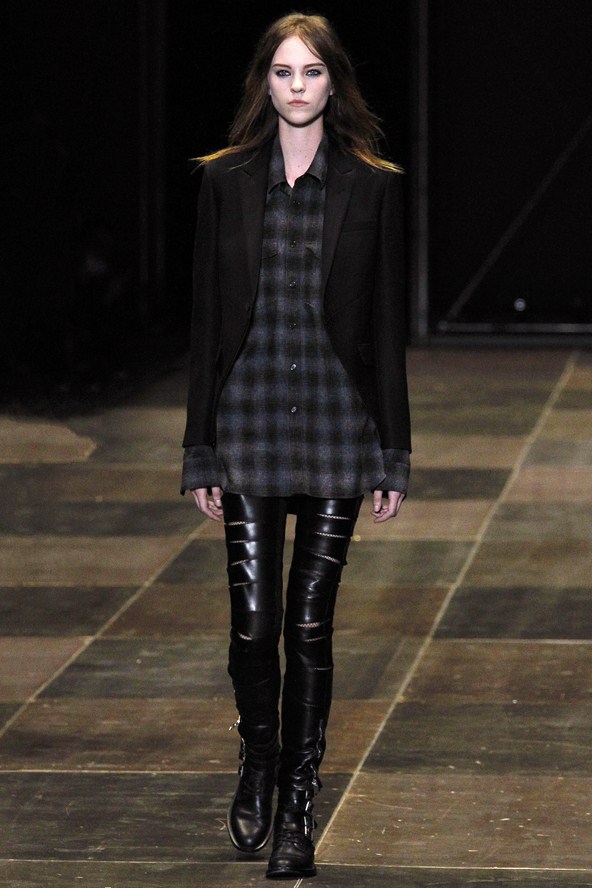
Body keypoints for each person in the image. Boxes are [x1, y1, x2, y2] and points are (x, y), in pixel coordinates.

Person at [181, 12, 411, 880]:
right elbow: (206, 324)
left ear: (333, 82)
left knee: (309, 625)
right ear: (264, 83)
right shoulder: (225, 181)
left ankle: (299, 804)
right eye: (283, 72)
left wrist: (393, 453)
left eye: (312, 72)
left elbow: (385, 330)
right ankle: (259, 756)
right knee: (253, 625)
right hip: (245, 424)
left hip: (337, 426)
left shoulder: (372, 187)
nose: (298, 86)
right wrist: (199, 450)